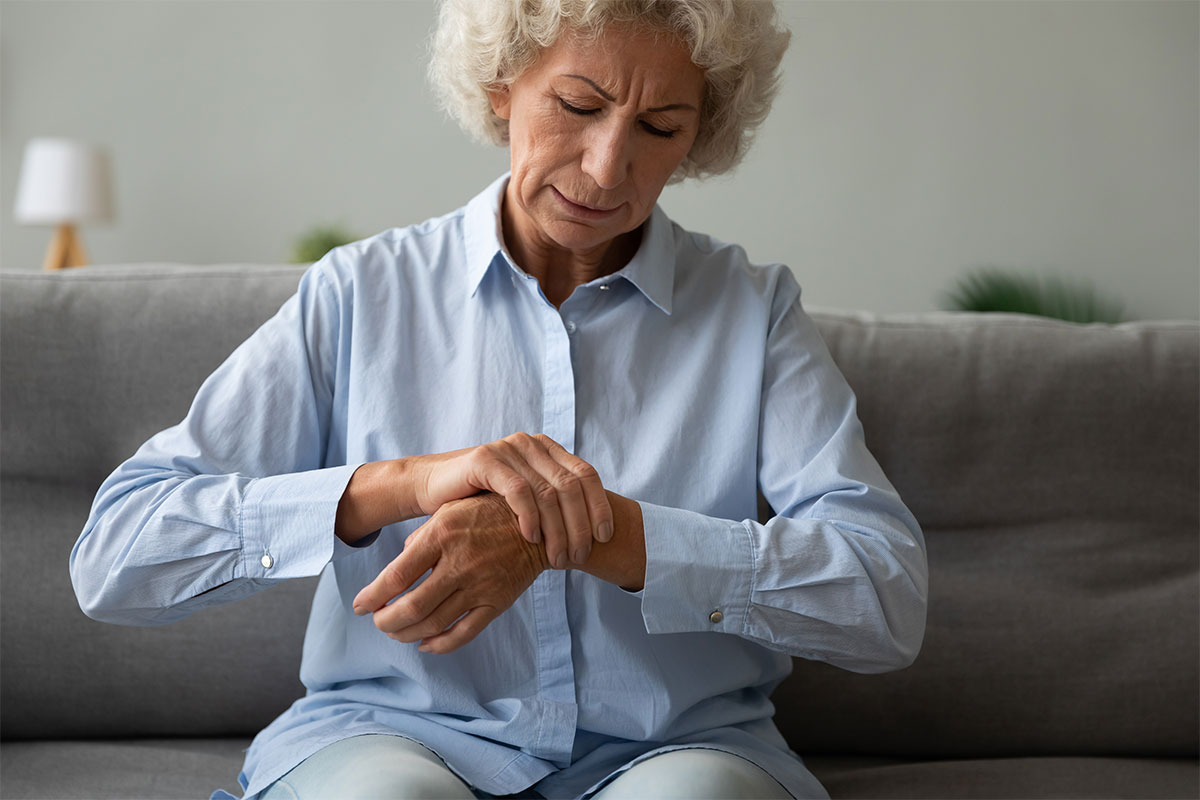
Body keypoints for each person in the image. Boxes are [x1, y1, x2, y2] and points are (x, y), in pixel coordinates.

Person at [69, 1, 928, 798]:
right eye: (579, 105)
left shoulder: (753, 310)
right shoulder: (360, 293)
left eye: (660, 126)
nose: (607, 167)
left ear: (699, 136)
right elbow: (117, 555)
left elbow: (885, 597)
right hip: (391, 734)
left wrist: (579, 535)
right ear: (500, 85)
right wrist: (400, 485)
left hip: (676, 746)